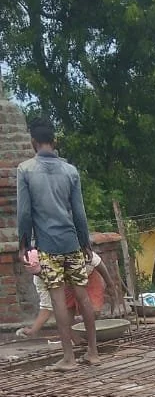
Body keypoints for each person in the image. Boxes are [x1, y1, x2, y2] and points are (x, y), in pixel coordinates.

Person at [16, 118, 100, 369]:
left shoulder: (25, 170)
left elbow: (24, 213)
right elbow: (79, 213)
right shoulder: (70, 171)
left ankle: (68, 358)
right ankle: (93, 353)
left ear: (33, 142)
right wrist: (85, 243)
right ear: (54, 141)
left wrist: (24, 245)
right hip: (72, 243)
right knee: (82, 296)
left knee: (58, 300)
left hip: (48, 246)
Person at [16, 247, 118, 341]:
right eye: (38, 274)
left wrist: (110, 285)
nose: (43, 275)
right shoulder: (40, 280)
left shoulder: (68, 253)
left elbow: (97, 261)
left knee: (93, 311)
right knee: (66, 318)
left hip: (88, 276)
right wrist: (33, 330)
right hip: (65, 285)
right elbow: (46, 307)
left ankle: (93, 342)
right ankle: (79, 343)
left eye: (43, 271)